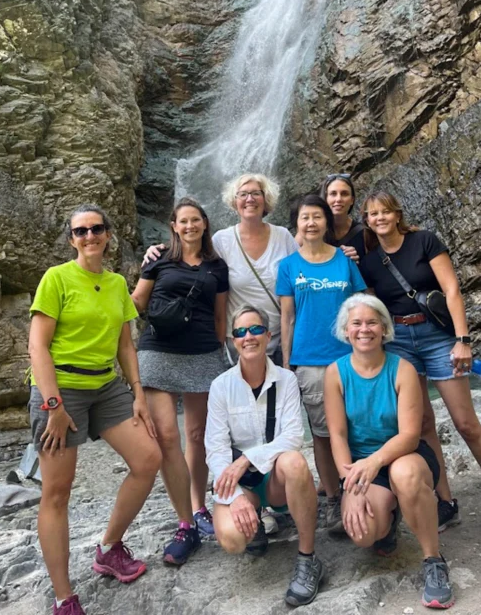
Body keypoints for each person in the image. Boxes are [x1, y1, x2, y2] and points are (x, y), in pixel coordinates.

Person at [358, 191, 481, 541]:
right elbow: (372, 310)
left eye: (385, 211)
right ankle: (445, 500)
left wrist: (462, 340)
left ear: (397, 214)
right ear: (367, 221)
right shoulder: (370, 262)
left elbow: (451, 291)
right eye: (372, 214)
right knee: (423, 424)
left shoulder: (424, 241)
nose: (380, 218)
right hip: (399, 341)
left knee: (466, 423)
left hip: (437, 337)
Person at [143, 173, 298, 535]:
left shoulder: (282, 238)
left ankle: (276, 497)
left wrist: (345, 251)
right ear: (233, 202)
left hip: (273, 340)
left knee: (272, 422)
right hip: (236, 345)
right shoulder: (223, 242)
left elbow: (306, 263)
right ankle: (205, 508)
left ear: (266, 199)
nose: (249, 199)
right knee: (225, 428)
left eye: (256, 194)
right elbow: (180, 261)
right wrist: (155, 253)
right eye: (243, 194)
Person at [28, 204, 162, 615]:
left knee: (148, 458)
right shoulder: (57, 278)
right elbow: (37, 346)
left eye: (96, 229)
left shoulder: (119, 283)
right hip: (60, 388)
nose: (89, 236)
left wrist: (138, 392)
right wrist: (53, 406)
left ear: (107, 234)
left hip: (106, 386)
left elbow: (125, 345)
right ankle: (63, 597)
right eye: (81, 231)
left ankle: (108, 548)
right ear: (72, 239)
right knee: (57, 492)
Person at [324, 294, 454, 609]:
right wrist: (349, 486)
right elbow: (338, 435)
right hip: (362, 469)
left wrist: (373, 463)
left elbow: (410, 435)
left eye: (372, 322)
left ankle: (433, 561)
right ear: (346, 330)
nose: (364, 329)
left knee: (404, 474)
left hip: (405, 456)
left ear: (384, 328)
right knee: (364, 534)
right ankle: (390, 518)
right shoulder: (335, 373)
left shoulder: (403, 369)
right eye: (356, 323)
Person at [205, 305, 324, 608]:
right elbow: (216, 450)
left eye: (256, 329)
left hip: (276, 479)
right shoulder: (221, 387)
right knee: (233, 540)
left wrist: (247, 458)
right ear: (234, 341)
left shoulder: (287, 380)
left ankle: (308, 558)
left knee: (295, 461)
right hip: (241, 484)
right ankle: (253, 520)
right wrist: (235, 498)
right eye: (241, 332)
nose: (249, 337)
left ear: (269, 335)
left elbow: (293, 436)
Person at [131, 197, 228, 563]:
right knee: (168, 436)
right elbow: (137, 302)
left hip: (203, 351)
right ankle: (185, 523)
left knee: (198, 435)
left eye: (196, 220)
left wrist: (218, 354)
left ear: (205, 224)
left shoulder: (218, 267)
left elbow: (220, 316)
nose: (189, 226)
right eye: (183, 221)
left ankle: (199, 506)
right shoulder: (157, 259)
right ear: (173, 226)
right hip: (157, 351)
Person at [277, 194, 367, 531]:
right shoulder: (288, 266)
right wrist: (287, 365)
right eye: (304, 218)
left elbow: (363, 303)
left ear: (327, 222)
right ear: (296, 225)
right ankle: (333, 497)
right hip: (309, 360)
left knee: (357, 426)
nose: (311, 223)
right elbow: (287, 318)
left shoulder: (345, 261)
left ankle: (359, 490)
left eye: (317, 216)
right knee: (323, 433)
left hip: (351, 357)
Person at [295, 173, 365, 259]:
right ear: (326, 198)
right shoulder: (310, 231)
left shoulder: (364, 233)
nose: (338, 199)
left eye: (344, 194)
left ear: (352, 200)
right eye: (333, 194)